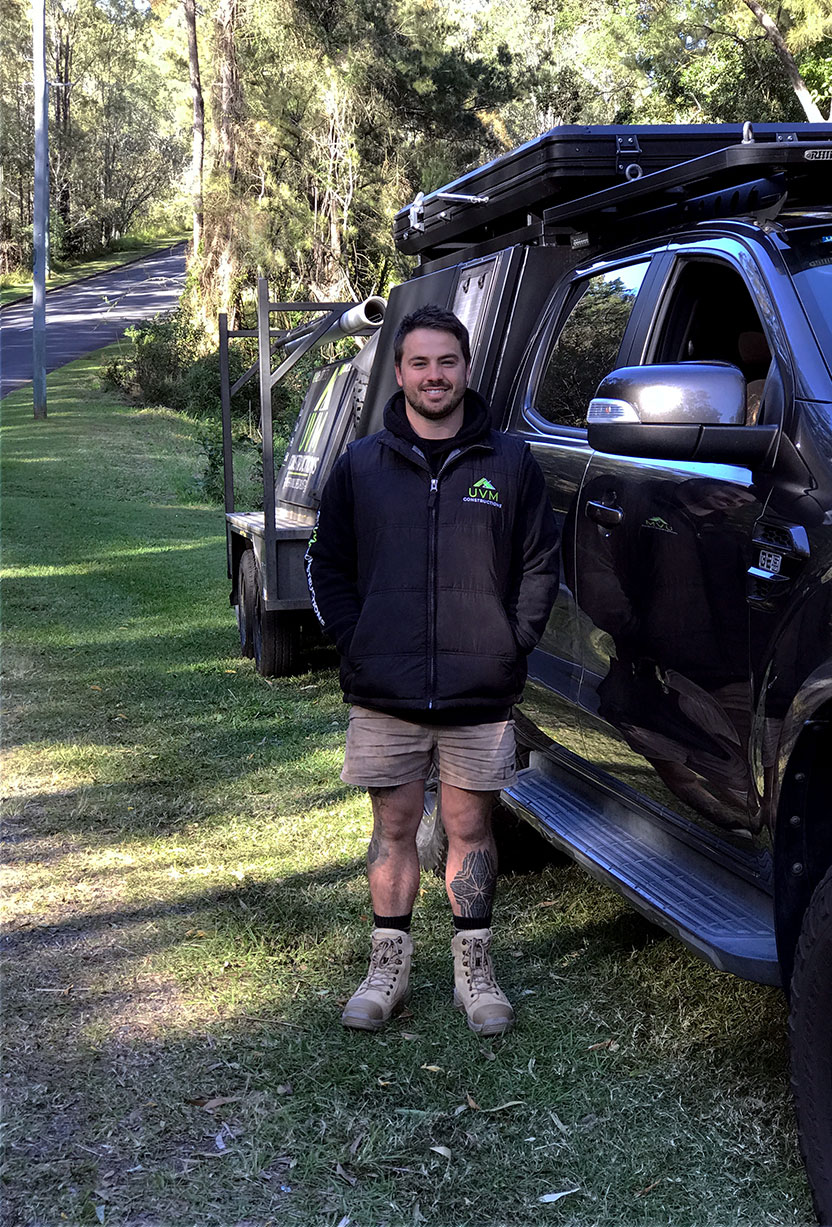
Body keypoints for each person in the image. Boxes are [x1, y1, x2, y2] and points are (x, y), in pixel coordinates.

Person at [305, 304, 559, 1036]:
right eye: (419, 362)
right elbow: (328, 564)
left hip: (481, 690)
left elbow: (541, 562)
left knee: (470, 826)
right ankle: (386, 968)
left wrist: (512, 641)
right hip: (384, 689)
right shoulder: (360, 466)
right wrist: (357, 641)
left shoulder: (509, 462)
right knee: (393, 825)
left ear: (467, 368)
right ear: (400, 372)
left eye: (446, 361)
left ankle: (475, 972)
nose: (434, 375)